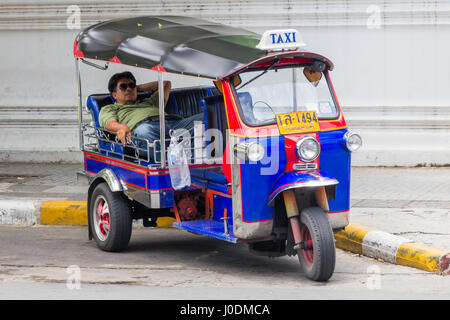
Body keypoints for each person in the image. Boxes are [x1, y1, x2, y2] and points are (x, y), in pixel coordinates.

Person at [99, 71, 203, 161]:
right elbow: (109, 123)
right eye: (123, 87)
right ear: (114, 95)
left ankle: (190, 159)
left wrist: (138, 88)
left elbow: (166, 84)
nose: (128, 89)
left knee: (204, 118)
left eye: (131, 85)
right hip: (146, 130)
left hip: (173, 125)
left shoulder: (150, 102)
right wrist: (121, 127)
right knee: (143, 130)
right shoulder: (110, 108)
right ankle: (172, 162)